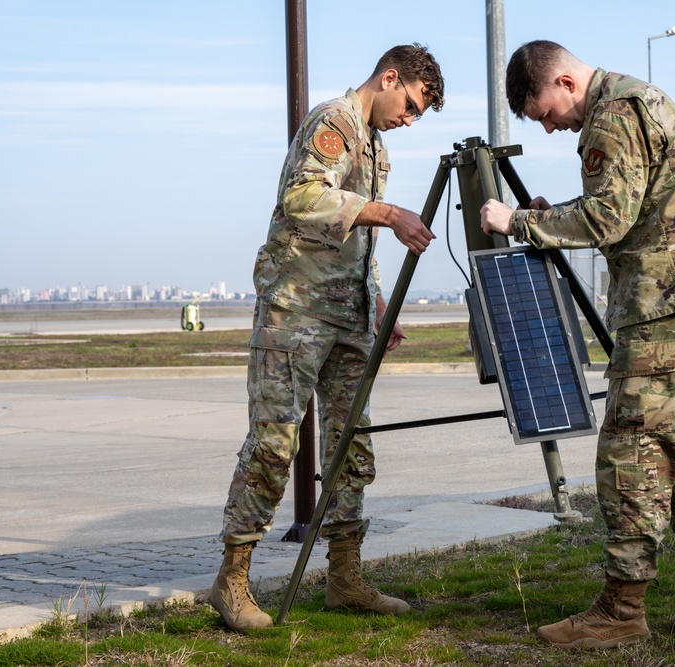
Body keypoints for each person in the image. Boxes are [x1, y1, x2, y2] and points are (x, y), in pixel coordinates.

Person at [480, 40, 675, 648]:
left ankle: (621, 611)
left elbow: (606, 219)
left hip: (672, 306)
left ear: (563, 81)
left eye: (545, 114)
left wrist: (519, 223)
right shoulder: (634, 101)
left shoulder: (612, 114)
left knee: (628, 455)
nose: (553, 128)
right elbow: (626, 208)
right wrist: (554, 212)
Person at [209, 44, 444, 632]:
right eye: (411, 104)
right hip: (296, 312)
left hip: (349, 315)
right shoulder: (332, 121)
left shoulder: (375, 144)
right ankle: (231, 581)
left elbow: (354, 241)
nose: (409, 119)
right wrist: (390, 214)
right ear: (390, 78)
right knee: (274, 445)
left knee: (351, 449)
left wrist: (378, 302)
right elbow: (303, 197)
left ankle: (344, 578)